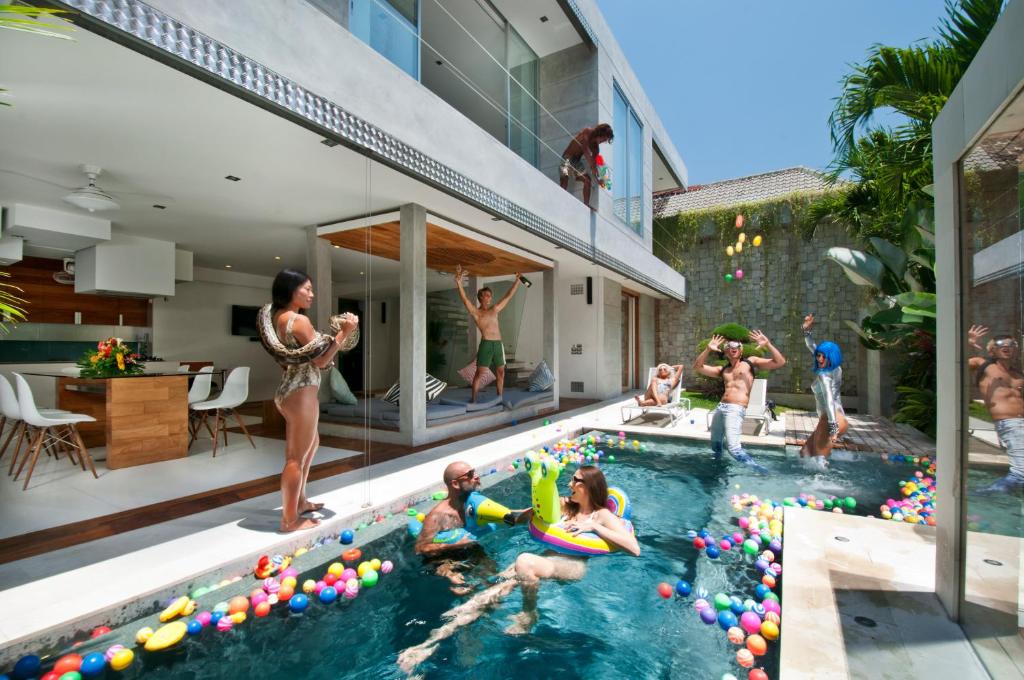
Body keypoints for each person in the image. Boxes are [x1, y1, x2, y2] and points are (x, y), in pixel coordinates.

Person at [397, 465, 638, 673]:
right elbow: (536, 510)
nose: (569, 483)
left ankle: (529, 613)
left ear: (589, 486)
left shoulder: (602, 515)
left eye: (575, 480)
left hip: (572, 565)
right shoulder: (565, 505)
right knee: (486, 596)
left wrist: (593, 528)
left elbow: (633, 548)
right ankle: (427, 645)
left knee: (523, 560)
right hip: (544, 559)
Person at [269, 269, 358, 532]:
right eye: (306, 289)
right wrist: (345, 332)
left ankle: (301, 502)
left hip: (290, 389)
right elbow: (320, 360)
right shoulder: (298, 321)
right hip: (302, 391)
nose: (311, 294)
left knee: (309, 448)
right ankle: (289, 520)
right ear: (290, 290)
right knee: (296, 457)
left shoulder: (278, 318)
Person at [415, 461, 527, 593]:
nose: (476, 476)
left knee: (493, 579)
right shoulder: (437, 516)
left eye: (474, 472)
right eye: (470, 475)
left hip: (470, 548)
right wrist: (453, 545)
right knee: (461, 587)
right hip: (443, 558)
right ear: (455, 484)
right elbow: (420, 548)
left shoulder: (474, 505)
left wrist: (528, 514)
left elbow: (506, 516)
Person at [693, 330, 786, 472]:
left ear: (741, 351)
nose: (732, 349)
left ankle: (760, 470)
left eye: (736, 347)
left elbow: (780, 362)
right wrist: (707, 349)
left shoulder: (750, 362)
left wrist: (768, 345)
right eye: (729, 347)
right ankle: (717, 469)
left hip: (736, 409)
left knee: (734, 449)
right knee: (716, 443)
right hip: (721, 408)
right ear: (726, 352)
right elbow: (698, 367)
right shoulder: (723, 369)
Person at [454, 265, 523, 402]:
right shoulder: (477, 313)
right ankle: (473, 399)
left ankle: (499, 398)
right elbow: (465, 300)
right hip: (486, 344)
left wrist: (517, 281)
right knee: (480, 373)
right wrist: (459, 283)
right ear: (481, 297)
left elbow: (508, 297)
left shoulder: (495, 309)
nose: (489, 297)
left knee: (501, 372)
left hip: (498, 344)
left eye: (490, 295)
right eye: (486, 295)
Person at [968, 325, 1024, 493]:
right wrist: (969, 343)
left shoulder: (1018, 374)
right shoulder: (982, 364)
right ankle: (980, 496)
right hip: (1010, 424)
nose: (1007, 346)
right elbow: (955, 365)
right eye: (1001, 343)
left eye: (1011, 343)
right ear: (992, 350)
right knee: (1020, 473)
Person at [799, 314, 848, 468]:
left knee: (819, 463)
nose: (819, 359)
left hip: (831, 419)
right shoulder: (834, 368)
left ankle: (821, 489)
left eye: (822, 356)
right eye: (818, 355)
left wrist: (833, 428)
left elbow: (828, 399)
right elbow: (812, 347)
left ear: (831, 357)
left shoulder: (825, 375)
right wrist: (807, 331)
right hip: (830, 418)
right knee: (804, 454)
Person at [559, 123, 614, 205]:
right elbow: (585, 149)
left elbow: (593, 167)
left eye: (604, 141)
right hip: (567, 157)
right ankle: (560, 200)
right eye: (603, 139)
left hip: (576, 161)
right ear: (600, 133)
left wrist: (598, 180)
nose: (602, 142)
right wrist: (592, 162)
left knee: (587, 180)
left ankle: (586, 205)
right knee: (565, 178)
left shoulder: (595, 149)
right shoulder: (587, 131)